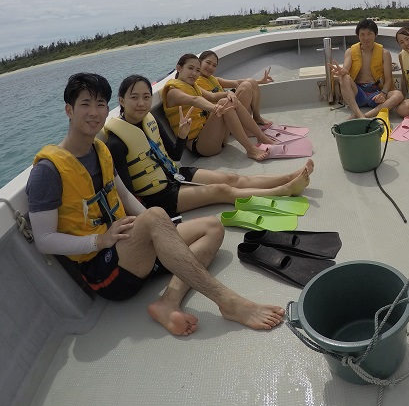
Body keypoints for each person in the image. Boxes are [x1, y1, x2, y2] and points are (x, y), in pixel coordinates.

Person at [26, 73, 285, 336]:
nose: (94, 112)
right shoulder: (47, 172)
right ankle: (228, 302)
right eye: (85, 104)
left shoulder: (100, 151)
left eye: (100, 104)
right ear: (69, 110)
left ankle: (168, 301)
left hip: (129, 247)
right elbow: (44, 240)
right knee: (155, 216)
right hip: (105, 271)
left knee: (212, 227)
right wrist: (99, 241)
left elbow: (125, 197)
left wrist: (165, 230)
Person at [105, 75, 313, 218]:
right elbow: (127, 192)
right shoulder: (116, 143)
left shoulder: (151, 121)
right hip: (160, 197)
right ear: (121, 101)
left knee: (232, 179)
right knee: (222, 191)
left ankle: (287, 177)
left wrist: (182, 135)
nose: (141, 103)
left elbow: (175, 155)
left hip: (175, 174)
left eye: (146, 97)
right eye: (134, 97)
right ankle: (283, 190)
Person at [161, 54, 276, 161]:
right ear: (179, 68)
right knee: (224, 103)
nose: (194, 73)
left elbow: (212, 96)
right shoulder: (173, 92)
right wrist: (215, 108)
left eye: (197, 70)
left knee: (228, 101)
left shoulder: (193, 86)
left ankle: (261, 137)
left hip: (217, 138)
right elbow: (194, 100)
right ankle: (251, 149)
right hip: (201, 146)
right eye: (190, 68)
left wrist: (229, 93)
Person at [329, 18, 403, 118]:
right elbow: (345, 70)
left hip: (376, 93)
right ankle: (359, 113)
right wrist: (341, 71)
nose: (366, 38)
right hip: (358, 93)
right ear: (358, 36)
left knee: (398, 95)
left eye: (369, 34)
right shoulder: (350, 52)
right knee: (344, 77)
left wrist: (383, 94)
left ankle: (365, 115)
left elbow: (388, 79)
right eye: (362, 34)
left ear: (376, 34)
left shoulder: (384, 53)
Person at [196, 50, 273, 126]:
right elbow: (212, 96)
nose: (210, 67)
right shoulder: (195, 82)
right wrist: (228, 93)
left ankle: (257, 117)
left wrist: (260, 81)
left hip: (229, 108)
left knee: (251, 81)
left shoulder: (214, 79)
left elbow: (237, 82)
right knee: (245, 86)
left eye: (214, 65)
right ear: (199, 62)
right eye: (208, 63)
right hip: (219, 114)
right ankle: (242, 126)